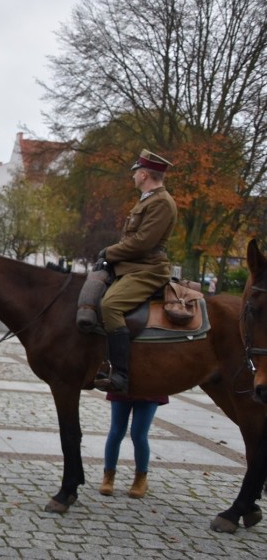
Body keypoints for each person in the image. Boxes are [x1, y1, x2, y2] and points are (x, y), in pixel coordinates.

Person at [94, 149, 177, 394]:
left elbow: (143, 242)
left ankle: (120, 374)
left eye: (135, 173)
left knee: (111, 306)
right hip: (133, 267)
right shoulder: (149, 200)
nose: (133, 178)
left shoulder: (161, 202)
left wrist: (108, 253)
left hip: (148, 270)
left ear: (143, 175)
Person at [99, 392, 169, 498]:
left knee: (139, 435)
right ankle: (108, 476)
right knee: (116, 432)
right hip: (122, 386)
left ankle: (141, 478)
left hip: (150, 389)